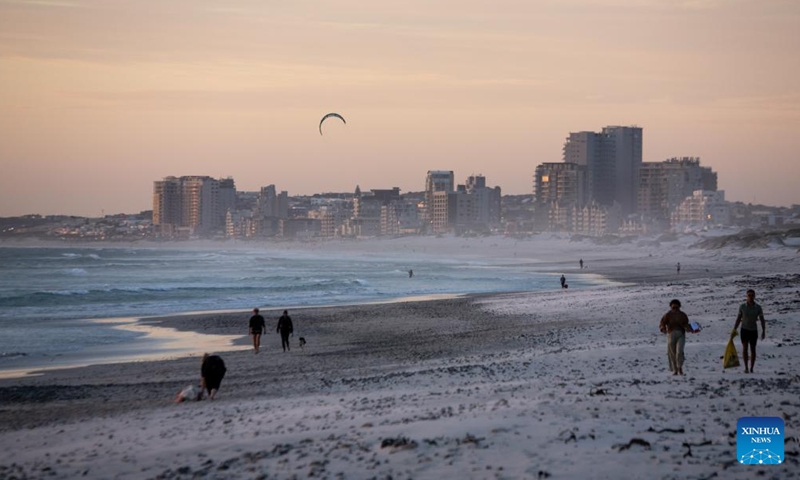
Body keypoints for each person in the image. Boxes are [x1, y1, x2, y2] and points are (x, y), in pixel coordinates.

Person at [658, 299, 695, 375]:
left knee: (679, 351)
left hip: (681, 334)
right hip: (671, 334)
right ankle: (675, 370)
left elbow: (686, 325)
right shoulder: (667, 315)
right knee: (672, 353)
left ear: (679, 307)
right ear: (671, 307)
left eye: (676, 307)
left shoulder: (683, 315)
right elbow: (662, 323)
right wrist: (663, 328)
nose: (675, 309)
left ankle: (680, 367)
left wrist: (691, 329)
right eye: (673, 307)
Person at [733, 289, 766, 373]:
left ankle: (751, 368)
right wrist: (734, 329)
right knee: (745, 348)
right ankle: (746, 367)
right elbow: (738, 319)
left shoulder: (758, 307)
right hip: (744, 330)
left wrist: (763, 331)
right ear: (746, 296)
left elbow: (762, 320)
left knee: (753, 349)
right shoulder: (742, 306)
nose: (750, 297)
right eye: (749, 295)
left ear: (754, 296)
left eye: (752, 295)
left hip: (753, 330)